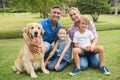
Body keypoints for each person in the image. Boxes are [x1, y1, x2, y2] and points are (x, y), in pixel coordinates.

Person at [68, 7, 110, 75]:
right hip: (81, 51)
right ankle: (80, 65)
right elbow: (74, 44)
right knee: (83, 66)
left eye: (74, 14)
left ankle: (102, 66)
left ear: (79, 13)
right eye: (71, 15)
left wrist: (92, 46)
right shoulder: (72, 30)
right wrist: (82, 49)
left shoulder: (89, 23)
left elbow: (95, 38)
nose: (73, 16)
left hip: (91, 49)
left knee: (96, 64)